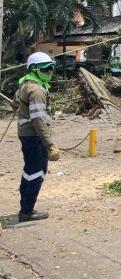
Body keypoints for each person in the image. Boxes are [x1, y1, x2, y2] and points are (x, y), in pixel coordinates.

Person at [13, 52, 60, 222]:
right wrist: (50, 144)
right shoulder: (37, 90)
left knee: (29, 169)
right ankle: (27, 210)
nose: (50, 71)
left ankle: (24, 204)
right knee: (37, 172)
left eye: (51, 68)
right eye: (46, 68)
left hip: (25, 134)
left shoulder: (25, 84)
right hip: (34, 136)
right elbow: (39, 120)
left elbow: (15, 103)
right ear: (34, 69)